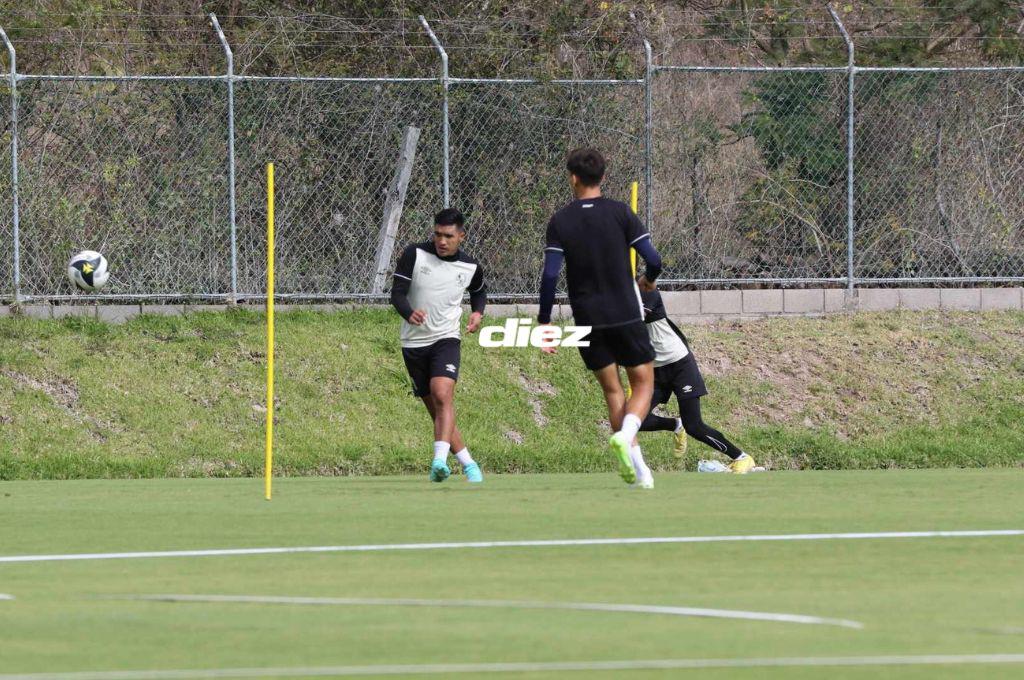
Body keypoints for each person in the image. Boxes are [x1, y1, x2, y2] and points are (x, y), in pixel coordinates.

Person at [538, 148, 663, 489]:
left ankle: (642, 474)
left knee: (612, 393)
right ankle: (628, 435)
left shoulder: (560, 220)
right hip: (624, 313)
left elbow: (550, 276)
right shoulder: (621, 212)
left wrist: (544, 320)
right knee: (643, 383)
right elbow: (653, 258)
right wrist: (649, 280)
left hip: (587, 319)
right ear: (603, 177)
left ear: (573, 178)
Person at [390, 208, 487, 483]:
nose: (441, 241)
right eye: (437, 234)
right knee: (437, 409)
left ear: (461, 236)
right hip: (412, 342)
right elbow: (397, 293)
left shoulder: (470, 267)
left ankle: (438, 462)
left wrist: (478, 312)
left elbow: (479, 290)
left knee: (442, 394)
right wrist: (409, 312)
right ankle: (469, 464)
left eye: (448, 236)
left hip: (446, 337)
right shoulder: (415, 254)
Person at [638, 287, 760, 473]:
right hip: (655, 370)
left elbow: (633, 317)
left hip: (680, 365)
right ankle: (675, 425)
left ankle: (741, 457)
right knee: (635, 420)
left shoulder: (647, 291)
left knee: (694, 426)